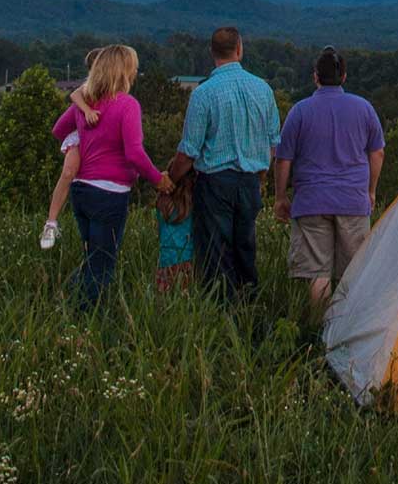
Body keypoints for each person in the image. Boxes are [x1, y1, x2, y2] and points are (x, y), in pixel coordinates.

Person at [49, 45, 171, 307]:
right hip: (109, 193)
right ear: (123, 71)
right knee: (102, 264)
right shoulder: (127, 105)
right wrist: (157, 179)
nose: (136, 72)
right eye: (133, 67)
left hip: (81, 190)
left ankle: (65, 303)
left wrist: (78, 145)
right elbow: (135, 154)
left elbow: (59, 130)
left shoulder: (86, 104)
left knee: (92, 256)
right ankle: (84, 318)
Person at [272, 47, 385, 316]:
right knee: (354, 274)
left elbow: (283, 159)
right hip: (352, 200)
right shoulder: (364, 108)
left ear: (315, 77)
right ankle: (349, 329)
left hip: (311, 201)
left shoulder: (300, 111)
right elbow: (377, 152)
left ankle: (319, 332)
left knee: (318, 274)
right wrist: (371, 190)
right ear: (343, 76)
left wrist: (280, 197)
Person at [172, 26, 280, 301]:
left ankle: (221, 311)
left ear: (212, 53)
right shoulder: (263, 89)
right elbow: (272, 142)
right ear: (239, 49)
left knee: (215, 252)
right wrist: (262, 175)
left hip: (215, 183)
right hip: (250, 180)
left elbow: (189, 150)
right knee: (245, 247)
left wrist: (171, 178)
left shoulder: (203, 94)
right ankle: (249, 306)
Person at [38, 79, 115, 250]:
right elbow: (75, 94)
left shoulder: (118, 88)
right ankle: (51, 223)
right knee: (68, 173)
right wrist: (87, 111)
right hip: (81, 134)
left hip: (100, 138)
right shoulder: (94, 84)